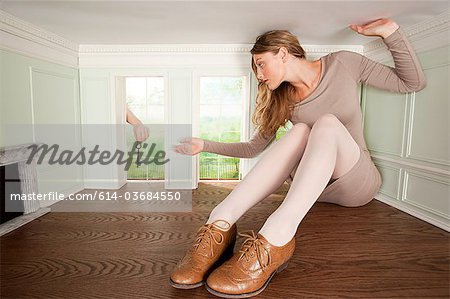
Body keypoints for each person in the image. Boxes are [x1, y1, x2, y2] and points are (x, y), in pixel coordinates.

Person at [170, 18, 427, 298]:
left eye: (260, 64)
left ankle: (278, 234)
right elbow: (252, 149)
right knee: (300, 130)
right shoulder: (283, 100)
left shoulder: (343, 64)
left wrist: (391, 34)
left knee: (325, 123)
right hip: (312, 188)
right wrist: (204, 145)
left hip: (355, 182)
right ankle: (219, 223)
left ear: (282, 53)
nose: (259, 75)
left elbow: (411, 82)